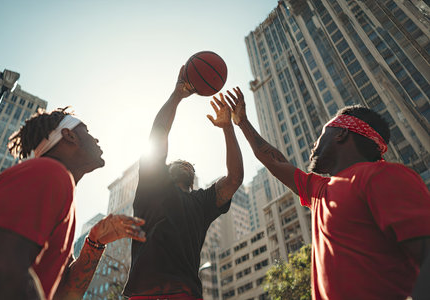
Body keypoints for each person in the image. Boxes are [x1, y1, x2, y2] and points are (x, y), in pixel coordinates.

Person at [225, 87, 430, 300]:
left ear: (341, 133)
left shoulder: (383, 176)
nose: (315, 144)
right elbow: (273, 161)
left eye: (322, 133)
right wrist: (242, 122)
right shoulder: (320, 191)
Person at [0, 108, 146, 300]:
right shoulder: (47, 172)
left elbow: (66, 293)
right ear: (69, 135)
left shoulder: (54, 183)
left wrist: (94, 243)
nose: (96, 140)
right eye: (87, 130)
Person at [123, 67, 244, 299]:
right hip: (144, 292)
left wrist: (228, 127)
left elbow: (235, 179)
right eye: (179, 163)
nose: (186, 165)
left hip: (184, 292)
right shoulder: (154, 185)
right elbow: (159, 134)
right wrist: (177, 95)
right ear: (166, 171)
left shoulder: (202, 203)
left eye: (191, 166)